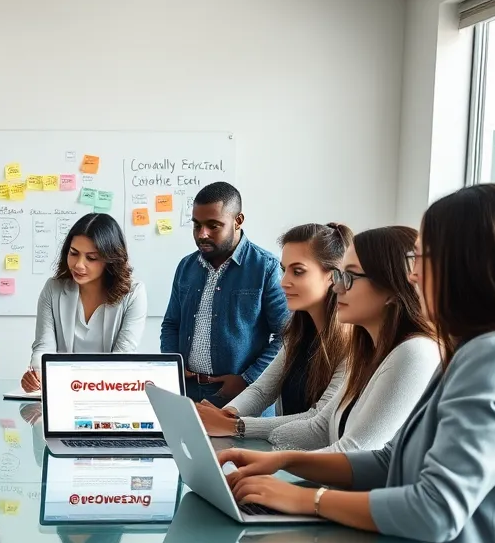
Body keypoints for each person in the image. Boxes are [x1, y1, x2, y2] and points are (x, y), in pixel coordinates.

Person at [222, 184, 495, 543]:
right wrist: (285, 463)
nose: (412, 273)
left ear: (469, 266)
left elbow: (436, 509)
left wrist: (308, 500)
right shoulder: (478, 350)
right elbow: (391, 460)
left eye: (422, 258)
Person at [228, 226, 439, 453]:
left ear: (391, 284)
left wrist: (241, 429)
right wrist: (229, 421)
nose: (338, 286)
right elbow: (319, 428)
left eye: (350, 277)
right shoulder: (365, 348)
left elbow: (354, 451)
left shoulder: (413, 352)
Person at [198, 222, 354, 440]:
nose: (283, 282)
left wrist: (236, 426)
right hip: (288, 457)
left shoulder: (354, 345)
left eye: (297, 272)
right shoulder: (298, 336)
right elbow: (262, 391)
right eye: (284, 270)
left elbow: (319, 421)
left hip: (324, 465)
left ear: (331, 277)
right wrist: (225, 414)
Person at [160, 182, 291, 406]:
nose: (202, 234)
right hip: (187, 393)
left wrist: (248, 379)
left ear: (238, 221)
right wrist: (174, 367)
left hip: (244, 397)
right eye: (197, 225)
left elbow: (288, 336)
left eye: (214, 226)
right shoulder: (186, 267)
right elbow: (171, 324)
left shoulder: (265, 268)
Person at [20, 213, 147, 392]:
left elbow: (121, 359)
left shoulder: (134, 294)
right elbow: (43, 347)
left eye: (91, 258)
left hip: (109, 393)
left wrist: (78, 385)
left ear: (110, 259)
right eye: (74, 253)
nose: (79, 265)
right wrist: (38, 376)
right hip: (62, 392)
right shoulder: (53, 289)